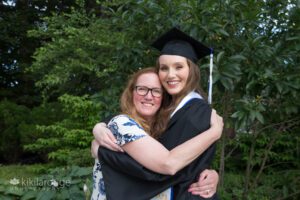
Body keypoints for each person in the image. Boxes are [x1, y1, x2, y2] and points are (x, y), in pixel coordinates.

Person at [92, 27, 222, 200]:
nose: (171, 74)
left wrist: (102, 152)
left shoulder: (196, 111)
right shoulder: (168, 109)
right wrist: (100, 127)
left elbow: (168, 167)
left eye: (179, 67)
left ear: (191, 70)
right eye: (164, 68)